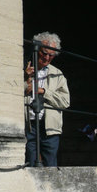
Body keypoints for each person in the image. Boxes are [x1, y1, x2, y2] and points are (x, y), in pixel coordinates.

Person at [24, 32, 70, 167]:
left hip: (49, 127)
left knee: (50, 165)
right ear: (36, 49)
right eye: (44, 53)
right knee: (30, 164)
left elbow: (65, 101)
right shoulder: (22, 68)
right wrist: (25, 81)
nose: (47, 57)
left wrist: (43, 91)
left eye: (52, 55)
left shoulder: (58, 74)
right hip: (28, 125)